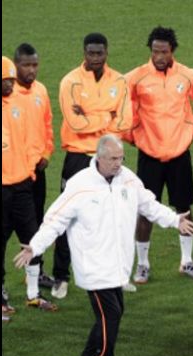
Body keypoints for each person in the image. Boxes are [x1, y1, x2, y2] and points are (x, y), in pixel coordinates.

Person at [13, 135, 193, 356]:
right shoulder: (80, 185)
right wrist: (35, 246)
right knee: (111, 315)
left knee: (111, 314)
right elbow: (54, 220)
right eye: (112, 159)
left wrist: (175, 220)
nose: (117, 163)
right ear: (98, 157)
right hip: (94, 266)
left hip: (118, 265)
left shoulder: (128, 179)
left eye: (120, 158)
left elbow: (148, 204)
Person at [125, 26, 193, 285]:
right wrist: (133, 135)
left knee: (184, 207)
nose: (159, 56)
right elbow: (120, 106)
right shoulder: (136, 77)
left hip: (179, 153)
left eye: (163, 51)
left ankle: (186, 261)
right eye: (155, 51)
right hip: (149, 154)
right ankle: (142, 265)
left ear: (172, 51)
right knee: (146, 210)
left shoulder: (187, 75)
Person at [51, 32, 132, 299]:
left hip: (108, 157)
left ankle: (116, 276)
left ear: (107, 52)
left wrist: (90, 114)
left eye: (99, 53)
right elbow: (75, 123)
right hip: (77, 157)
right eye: (91, 53)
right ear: (84, 52)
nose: (95, 58)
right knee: (67, 216)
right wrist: (106, 114)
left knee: (114, 216)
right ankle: (61, 276)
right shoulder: (70, 82)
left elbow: (124, 122)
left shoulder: (119, 81)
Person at [2, 55, 57, 320]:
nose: (10, 85)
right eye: (5, 81)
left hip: (23, 183)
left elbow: (28, 139)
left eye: (11, 80)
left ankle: (33, 294)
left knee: (32, 238)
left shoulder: (18, 104)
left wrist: (29, 168)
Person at [14, 43, 56, 290]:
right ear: (15, 65)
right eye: (26, 65)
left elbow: (48, 125)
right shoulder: (8, 95)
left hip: (38, 172)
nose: (32, 70)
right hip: (14, 176)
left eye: (35, 65)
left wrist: (47, 153)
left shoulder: (40, 90)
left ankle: (37, 272)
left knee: (37, 224)